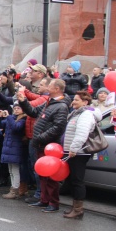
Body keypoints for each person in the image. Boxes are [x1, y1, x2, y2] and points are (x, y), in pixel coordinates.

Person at [17, 79, 70, 213]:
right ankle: (44, 199)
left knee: (51, 176)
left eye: (50, 86)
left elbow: (58, 127)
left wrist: (40, 137)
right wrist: (23, 101)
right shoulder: (49, 102)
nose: (47, 88)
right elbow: (33, 112)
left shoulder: (61, 106)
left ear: (57, 89)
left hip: (49, 146)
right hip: (41, 144)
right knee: (43, 174)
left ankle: (53, 202)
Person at [61, 91, 98, 219]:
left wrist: (73, 148)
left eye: (76, 100)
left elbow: (82, 134)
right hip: (74, 151)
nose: (73, 102)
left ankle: (78, 209)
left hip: (79, 152)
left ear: (85, 102)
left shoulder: (86, 114)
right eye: (74, 99)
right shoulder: (77, 113)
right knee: (73, 180)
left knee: (77, 180)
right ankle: (75, 207)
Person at [0, 103, 27, 199]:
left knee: (15, 169)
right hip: (9, 146)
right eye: (15, 108)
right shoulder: (12, 118)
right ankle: (13, 188)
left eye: (19, 108)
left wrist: (9, 117)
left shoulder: (23, 119)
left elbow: (15, 127)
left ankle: (15, 190)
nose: (16, 110)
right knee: (11, 169)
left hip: (16, 147)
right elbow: (0, 124)